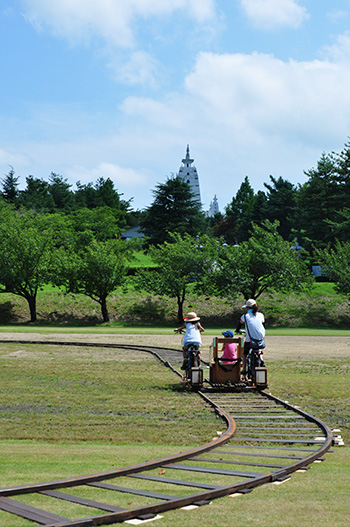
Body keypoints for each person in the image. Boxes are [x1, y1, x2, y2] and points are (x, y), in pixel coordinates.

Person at [236, 299, 265, 379]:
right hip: (261, 339)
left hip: (250, 339)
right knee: (258, 349)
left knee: (245, 354)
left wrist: (237, 330)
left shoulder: (245, 316)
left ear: (247, 308)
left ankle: (244, 369)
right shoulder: (260, 315)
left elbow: (240, 323)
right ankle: (261, 359)